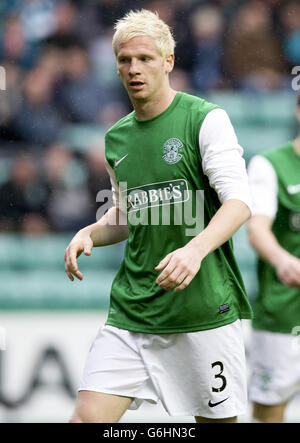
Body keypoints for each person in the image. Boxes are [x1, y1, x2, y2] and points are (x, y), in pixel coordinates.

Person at [64, 9, 253, 423]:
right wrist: (91, 233)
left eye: (146, 59)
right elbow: (130, 215)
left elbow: (239, 201)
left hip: (201, 313)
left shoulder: (204, 119)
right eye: (125, 60)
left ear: (168, 61)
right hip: (133, 313)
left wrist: (194, 250)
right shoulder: (117, 138)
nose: (134, 69)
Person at [247, 94, 300, 423]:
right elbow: (257, 229)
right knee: (269, 415)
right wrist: (282, 261)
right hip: (283, 315)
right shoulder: (270, 164)